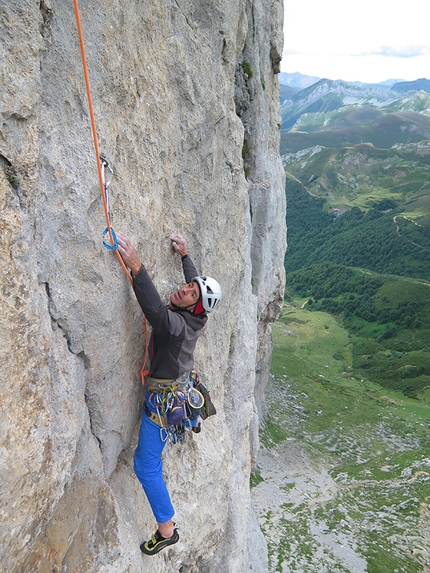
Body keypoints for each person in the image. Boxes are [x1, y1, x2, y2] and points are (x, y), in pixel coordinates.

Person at [116, 231, 222, 556]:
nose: (184, 290)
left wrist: (137, 268)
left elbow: (156, 313)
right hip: (181, 379)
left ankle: (166, 529)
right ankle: (192, 421)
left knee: (145, 465)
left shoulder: (176, 326)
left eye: (190, 294)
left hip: (164, 401)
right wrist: (185, 256)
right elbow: (195, 286)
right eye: (189, 286)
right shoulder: (198, 317)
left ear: (195, 309)